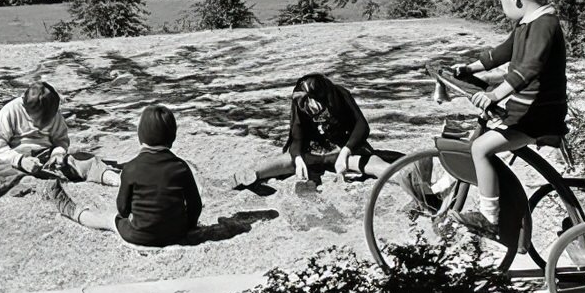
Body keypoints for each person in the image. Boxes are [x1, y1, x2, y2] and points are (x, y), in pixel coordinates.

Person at [449, 0, 568, 238]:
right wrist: (470, 68)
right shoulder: (528, 23)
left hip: (538, 115)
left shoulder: (544, 25)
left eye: (500, 0)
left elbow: (529, 69)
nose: (500, 8)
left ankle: (491, 220)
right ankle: (462, 192)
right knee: (478, 138)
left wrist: (494, 94)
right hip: (525, 110)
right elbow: (503, 52)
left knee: (480, 149)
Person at [0, 80, 120, 217]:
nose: (42, 125)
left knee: (82, 159)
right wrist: (20, 160)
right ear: (26, 109)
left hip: (47, 157)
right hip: (15, 160)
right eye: (38, 121)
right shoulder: (9, 111)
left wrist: (59, 153)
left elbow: (61, 140)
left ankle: (114, 179)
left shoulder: (54, 113)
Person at [39, 104, 202, 247]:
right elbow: (195, 205)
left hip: (139, 236)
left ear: (140, 137)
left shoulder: (131, 168)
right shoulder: (181, 167)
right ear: (172, 138)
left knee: (108, 219)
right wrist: (187, 227)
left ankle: (73, 211)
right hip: (176, 234)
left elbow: (122, 209)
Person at [230, 73, 401, 190]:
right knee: (287, 161)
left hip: (344, 147)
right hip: (312, 150)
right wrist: (297, 159)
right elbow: (296, 137)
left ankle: (402, 176)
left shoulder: (340, 94)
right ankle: (252, 175)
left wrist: (346, 152)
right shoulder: (299, 102)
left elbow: (362, 126)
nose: (309, 106)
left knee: (367, 163)